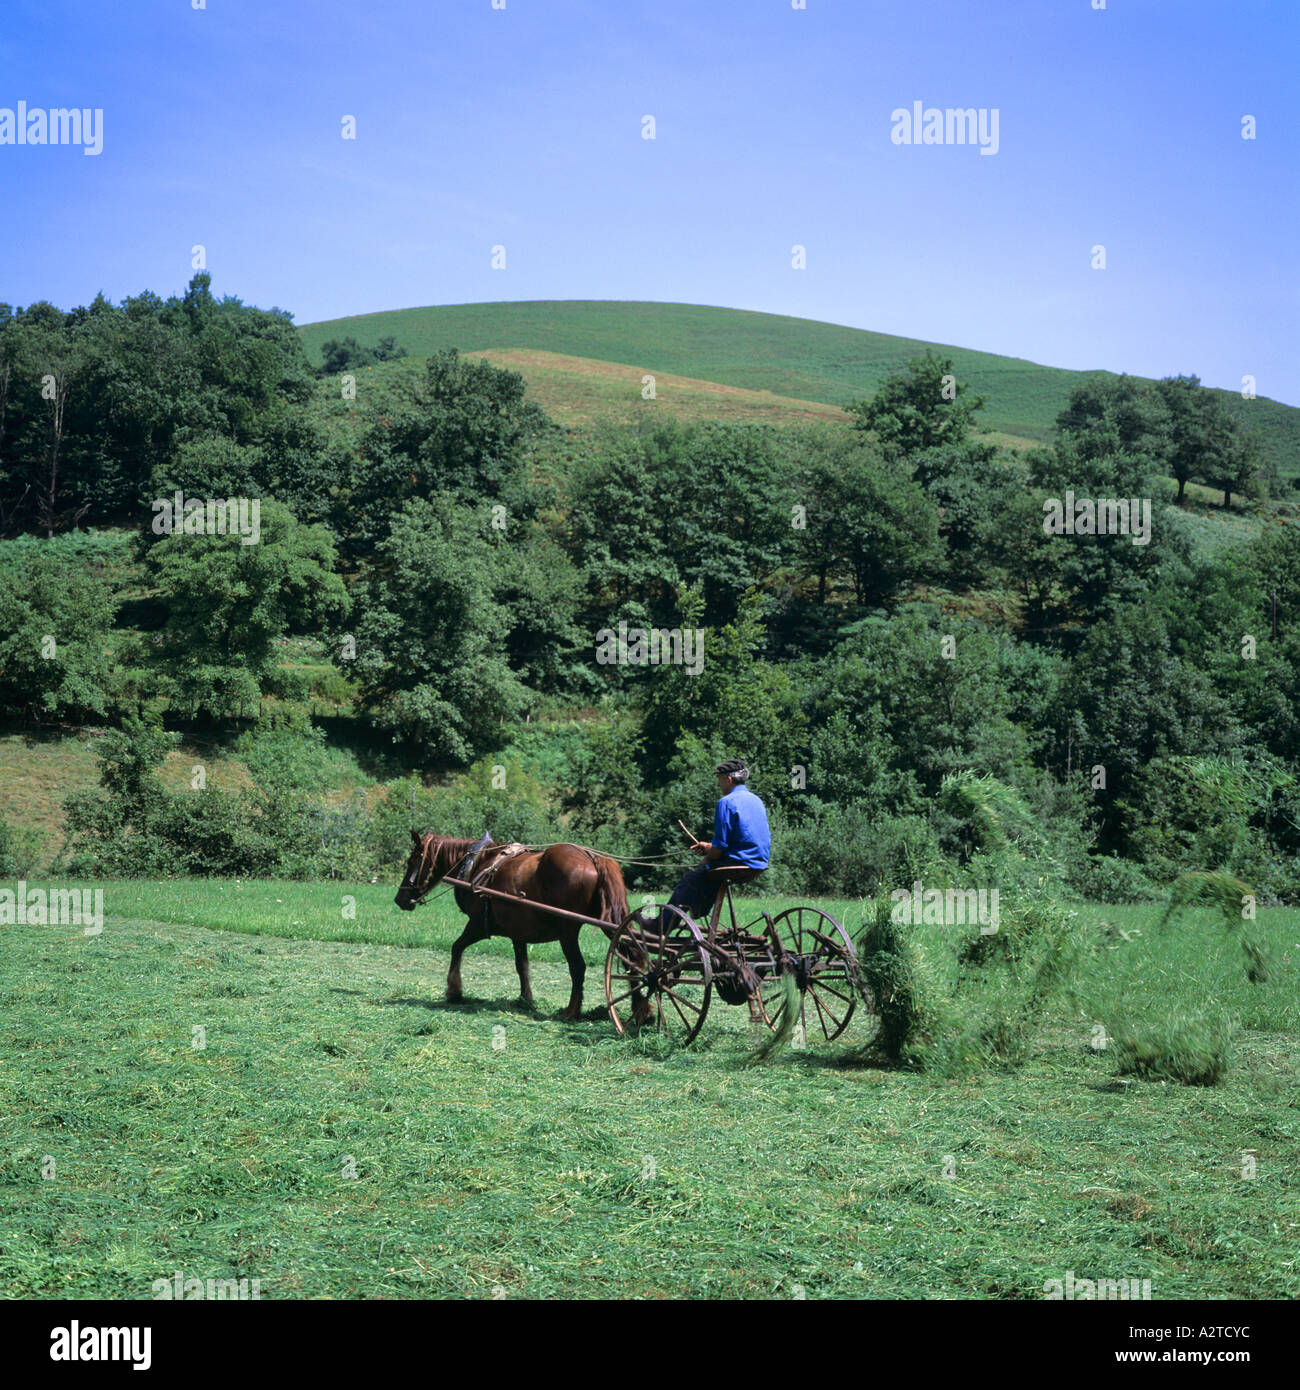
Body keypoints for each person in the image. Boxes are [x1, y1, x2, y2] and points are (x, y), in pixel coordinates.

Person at [659, 759, 770, 927]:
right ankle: (697, 911)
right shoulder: (757, 800)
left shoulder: (726, 802)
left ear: (729, 779)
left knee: (691, 878)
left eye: (719, 779)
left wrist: (708, 857)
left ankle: (662, 925)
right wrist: (709, 847)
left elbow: (720, 849)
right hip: (758, 862)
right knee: (707, 875)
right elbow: (742, 840)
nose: (718, 785)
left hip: (737, 863)